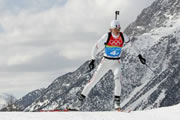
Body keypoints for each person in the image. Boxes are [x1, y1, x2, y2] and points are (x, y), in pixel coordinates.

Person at [73, 20, 146, 110]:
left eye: (118, 29)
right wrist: (92, 59)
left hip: (116, 63)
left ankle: (117, 104)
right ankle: (78, 103)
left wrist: (139, 56)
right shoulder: (107, 36)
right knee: (93, 81)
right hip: (105, 62)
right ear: (111, 29)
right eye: (115, 29)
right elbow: (95, 47)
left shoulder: (123, 36)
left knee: (118, 81)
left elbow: (132, 45)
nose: (117, 31)